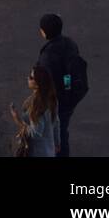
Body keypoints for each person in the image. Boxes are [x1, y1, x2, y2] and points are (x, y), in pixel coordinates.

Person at [36, 13, 88, 158]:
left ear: (44, 32)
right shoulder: (70, 43)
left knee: (55, 133)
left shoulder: (48, 56)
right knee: (62, 128)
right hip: (71, 96)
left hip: (56, 101)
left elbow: (45, 82)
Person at [9, 66, 60, 157]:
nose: (28, 78)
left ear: (38, 83)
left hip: (37, 152)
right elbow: (56, 123)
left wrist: (17, 119)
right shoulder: (51, 99)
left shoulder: (37, 105)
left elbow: (35, 133)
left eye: (31, 77)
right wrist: (57, 143)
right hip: (49, 149)